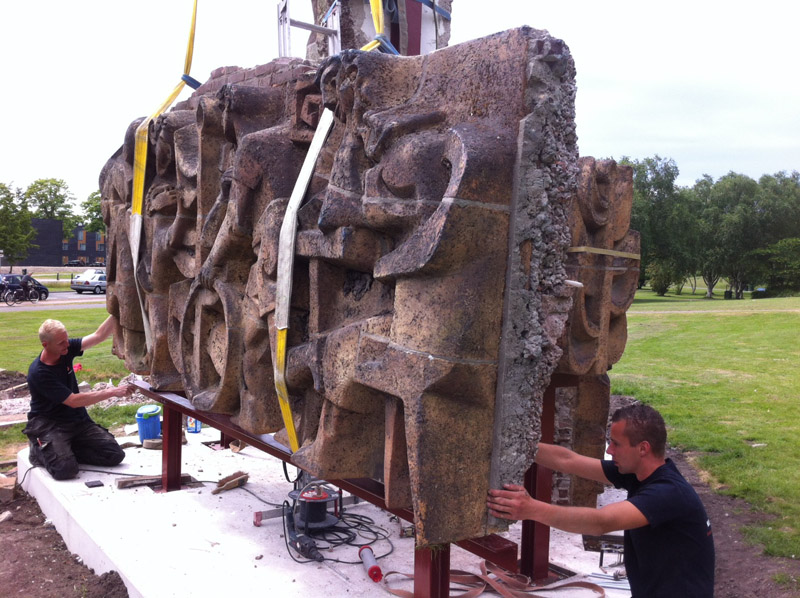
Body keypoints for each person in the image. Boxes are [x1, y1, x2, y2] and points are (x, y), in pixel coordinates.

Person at [487, 404, 715, 598]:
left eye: (616, 443)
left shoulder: (668, 493)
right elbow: (567, 460)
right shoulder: (638, 473)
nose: (609, 450)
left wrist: (531, 509)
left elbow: (601, 522)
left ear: (643, 448)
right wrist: (514, 445)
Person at [23, 316, 134, 480]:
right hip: (50, 424)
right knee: (65, 470)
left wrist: (116, 311)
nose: (67, 344)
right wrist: (112, 392)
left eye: (66, 339)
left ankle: (64, 449)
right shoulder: (40, 373)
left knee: (114, 455)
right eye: (61, 342)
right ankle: (40, 450)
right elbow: (74, 401)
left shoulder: (64, 349)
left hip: (76, 421)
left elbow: (98, 336)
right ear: (46, 345)